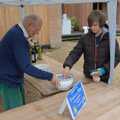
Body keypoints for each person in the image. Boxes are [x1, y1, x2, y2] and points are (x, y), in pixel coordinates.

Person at [0, 14, 58, 111]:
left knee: (21, 107)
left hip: (14, 77)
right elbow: (26, 66)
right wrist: (50, 76)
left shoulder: (18, 32)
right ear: (30, 25)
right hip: (8, 80)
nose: (38, 32)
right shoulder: (17, 36)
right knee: (16, 112)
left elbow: (21, 59)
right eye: (38, 29)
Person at [62, 10, 120, 83]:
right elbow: (75, 53)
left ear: (101, 23)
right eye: (90, 25)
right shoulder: (85, 38)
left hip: (104, 78)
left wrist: (103, 70)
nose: (92, 27)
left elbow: (117, 57)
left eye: (95, 25)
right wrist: (68, 65)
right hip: (88, 77)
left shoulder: (110, 39)